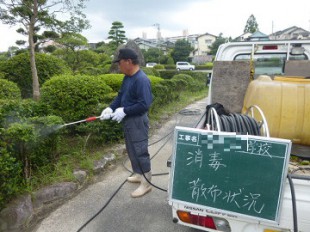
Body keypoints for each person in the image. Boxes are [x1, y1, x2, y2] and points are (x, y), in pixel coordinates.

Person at [100, 48, 153, 198]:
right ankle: (138, 173)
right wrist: (110, 108)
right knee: (131, 149)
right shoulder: (128, 77)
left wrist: (125, 111)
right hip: (129, 120)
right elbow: (120, 96)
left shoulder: (141, 80)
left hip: (137, 121)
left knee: (140, 151)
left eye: (120, 63)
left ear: (129, 62)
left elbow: (144, 104)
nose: (119, 66)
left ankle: (146, 182)